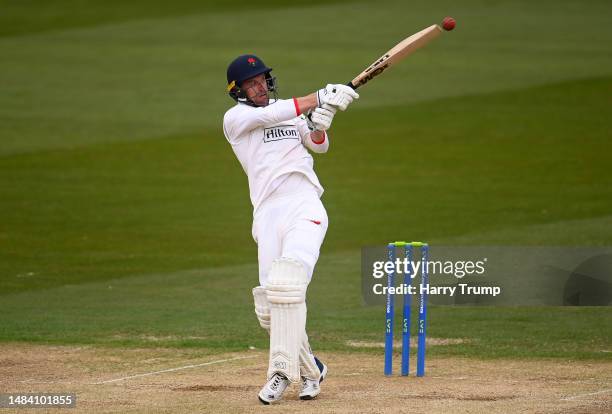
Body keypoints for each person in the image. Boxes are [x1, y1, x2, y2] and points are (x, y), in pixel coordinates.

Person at [222, 54, 359, 404]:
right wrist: (320, 96)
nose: (258, 87)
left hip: (303, 203)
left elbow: (319, 146)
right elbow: (271, 115)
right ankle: (311, 368)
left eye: (261, 80)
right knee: (269, 308)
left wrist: (319, 123)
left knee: (288, 283)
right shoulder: (236, 119)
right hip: (267, 212)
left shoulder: (290, 109)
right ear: (238, 91)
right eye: (250, 84)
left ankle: (280, 373)